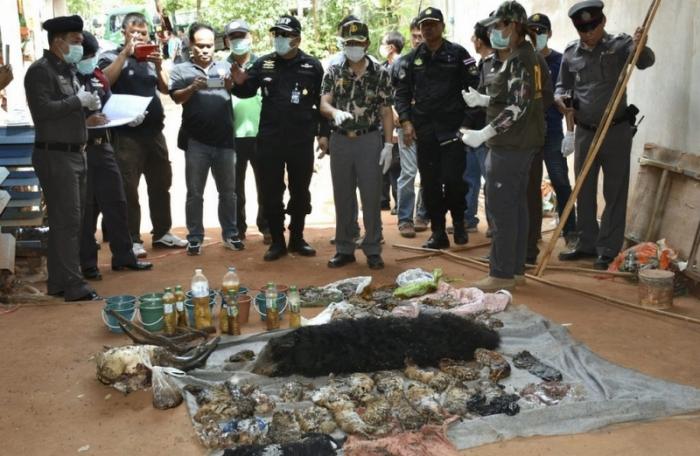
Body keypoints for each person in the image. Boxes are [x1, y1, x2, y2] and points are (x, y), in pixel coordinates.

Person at [556, 0, 654, 270]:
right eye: (582, 28)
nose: (588, 32)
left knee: (614, 190)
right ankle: (587, 242)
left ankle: (608, 249)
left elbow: (645, 61)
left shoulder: (620, 45)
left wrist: (641, 44)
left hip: (616, 131)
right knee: (583, 189)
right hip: (585, 131)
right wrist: (561, 99)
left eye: (592, 26)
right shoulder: (570, 53)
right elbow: (561, 86)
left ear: (603, 22)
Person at [461, 1, 547, 291]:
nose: (494, 32)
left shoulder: (521, 59)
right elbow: (515, 96)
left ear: (515, 26)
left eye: (499, 26)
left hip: (510, 146)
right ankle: (515, 269)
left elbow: (517, 108)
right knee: (517, 207)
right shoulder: (521, 56)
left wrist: (483, 133)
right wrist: (483, 100)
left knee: (501, 209)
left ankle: (501, 274)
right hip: (519, 144)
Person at [231, 15, 329, 261]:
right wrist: (235, 82)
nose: (279, 39)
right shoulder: (264, 64)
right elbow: (246, 90)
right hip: (270, 139)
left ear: (297, 38)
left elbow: (324, 103)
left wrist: (323, 134)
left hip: (301, 139)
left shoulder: (312, 66)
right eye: (277, 34)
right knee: (271, 192)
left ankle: (297, 238)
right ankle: (277, 241)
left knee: (300, 191)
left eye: (285, 35)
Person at [99, 12, 187, 259]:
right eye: (134, 32)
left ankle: (162, 233)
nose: (139, 36)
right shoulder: (110, 56)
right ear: (124, 33)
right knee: (128, 189)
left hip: (154, 132)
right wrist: (125, 53)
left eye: (143, 32)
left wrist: (159, 65)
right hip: (126, 135)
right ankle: (132, 239)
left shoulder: (151, 58)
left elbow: (165, 88)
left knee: (161, 184)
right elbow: (105, 82)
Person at [24, 15, 100, 301]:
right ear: (58, 42)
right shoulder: (40, 71)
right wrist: (76, 102)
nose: (80, 47)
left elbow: (66, 108)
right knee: (67, 221)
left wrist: (86, 107)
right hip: (54, 154)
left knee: (70, 220)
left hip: (75, 153)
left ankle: (58, 281)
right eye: (75, 42)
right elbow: (43, 110)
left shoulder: (67, 70)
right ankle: (73, 283)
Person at [395, 7, 480, 249]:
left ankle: (460, 222)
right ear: (420, 30)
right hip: (426, 132)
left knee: (454, 181)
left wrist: (466, 124)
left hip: (453, 131)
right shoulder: (412, 60)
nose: (428, 28)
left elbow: (474, 91)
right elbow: (401, 94)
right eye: (424, 25)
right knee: (430, 183)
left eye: (433, 24)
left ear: (442, 26)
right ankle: (438, 232)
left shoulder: (459, 54)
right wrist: (406, 121)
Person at [76, 32, 153, 280]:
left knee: (117, 203)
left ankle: (124, 256)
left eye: (92, 55)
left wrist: (128, 117)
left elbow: (109, 105)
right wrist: (84, 120)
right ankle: (88, 264)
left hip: (104, 146)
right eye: (86, 56)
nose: (90, 60)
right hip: (81, 149)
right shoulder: (67, 79)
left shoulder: (98, 76)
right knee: (86, 209)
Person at [321, 20, 394, 270]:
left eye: (358, 42)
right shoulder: (333, 70)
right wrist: (334, 113)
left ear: (367, 43)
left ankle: (373, 248)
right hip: (341, 140)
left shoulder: (380, 72)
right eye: (348, 42)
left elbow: (386, 111)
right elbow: (323, 103)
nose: (353, 46)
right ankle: (345, 247)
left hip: (369, 140)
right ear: (343, 44)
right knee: (343, 196)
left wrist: (388, 145)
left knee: (372, 195)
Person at [169, 23, 243, 255]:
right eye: (200, 46)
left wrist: (233, 81)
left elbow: (237, 89)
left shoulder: (225, 67)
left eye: (209, 46)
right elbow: (176, 98)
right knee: (195, 193)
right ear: (191, 45)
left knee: (228, 193)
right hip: (196, 142)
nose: (205, 50)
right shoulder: (180, 70)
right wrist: (192, 87)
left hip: (224, 141)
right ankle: (194, 238)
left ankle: (231, 234)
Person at [527, 13, 577, 263]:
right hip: (528, 132)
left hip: (553, 130)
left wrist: (570, 132)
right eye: (532, 30)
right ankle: (531, 233)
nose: (537, 34)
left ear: (549, 33)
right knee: (529, 184)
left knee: (559, 179)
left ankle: (570, 231)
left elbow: (567, 99)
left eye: (541, 30)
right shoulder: (523, 60)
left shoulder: (560, 60)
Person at [225, 19, 270, 245]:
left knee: (266, 184)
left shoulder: (262, 65)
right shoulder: (222, 66)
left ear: (250, 37)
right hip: (232, 135)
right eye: (233, 37)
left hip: (261, 134)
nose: (238, 41)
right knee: (234, 188)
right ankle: (237, 229)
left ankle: (267, 226)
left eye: (242, 36)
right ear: (227, 41)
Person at [395, 17, 430, 236]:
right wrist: (404, 122)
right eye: (414, 35)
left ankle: (423, 214)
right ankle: (405, 218)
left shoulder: (439, 61)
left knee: (428, 172)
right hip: (406, 126)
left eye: (421, 35)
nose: (418, 39)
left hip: (430, 127)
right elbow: (395, 97)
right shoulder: (403, 62)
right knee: (408, 172)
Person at [462, 21, 493, 235]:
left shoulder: (495, 65)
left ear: (480, 41)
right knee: (470, 178)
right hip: (473, 132)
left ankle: (495, 225)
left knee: (490, 181)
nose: (473, 41)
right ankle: (468, 219)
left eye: (474, 38)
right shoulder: (481, 64)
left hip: (487, 133)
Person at [378, 31, 402, 217]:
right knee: (383, 162)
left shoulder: (404, 65)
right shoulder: (383, 67)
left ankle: (399, 202)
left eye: (383, 43)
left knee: (396, 164)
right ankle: (382, 200)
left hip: (398, 120)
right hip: (383, 121)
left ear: (391, 47)